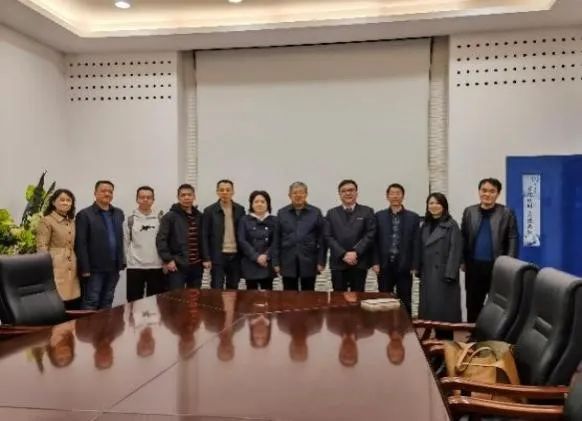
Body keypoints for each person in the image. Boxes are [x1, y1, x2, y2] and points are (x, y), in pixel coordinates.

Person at [461, 178, 519, 322]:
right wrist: (462, 261)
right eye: (484, 190)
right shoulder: (469, 211)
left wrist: (509, 264)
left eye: (492, 191)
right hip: (474, 266)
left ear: (498, 194)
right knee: (473, 305)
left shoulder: (506, 213)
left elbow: (513, 238)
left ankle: (493, 334)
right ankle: (473, 332)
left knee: (498, 306)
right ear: (479, 191)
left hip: (497, 266)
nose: (487, 194)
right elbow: (463, 238)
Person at [417, 193, 463, 339]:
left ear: (444, 206)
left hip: (444, 276)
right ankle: (435, 343)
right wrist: (418, 269)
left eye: (437, 203)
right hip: (428, 274)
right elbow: (420, 248)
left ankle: (446, 345)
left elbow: (455, 250)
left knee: (444, 316)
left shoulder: (451, 225)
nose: (434, 206)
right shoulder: (425, 225)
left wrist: (450, 274)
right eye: (431, 203)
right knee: (432, 314)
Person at [75, 180, 125, 310]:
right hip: (94, 269)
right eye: (103, 191)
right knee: (91, 301)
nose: (107, 194)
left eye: (110, 191)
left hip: (114, 267)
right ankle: (88, 325)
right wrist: (85, 268)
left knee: (108, 300)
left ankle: (104, 324)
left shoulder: (118, 213)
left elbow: (121, 239)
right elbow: (81, 243)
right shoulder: (84, 214)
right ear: (95, 193)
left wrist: (122, 262)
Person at [372, 183, 420, 315]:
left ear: (403, 196)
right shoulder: (379, 216)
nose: (395, 196)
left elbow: (416, 242)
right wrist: (375, 262)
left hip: (405, 265)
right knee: (384, 300)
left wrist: (415, 265)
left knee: (405, 300)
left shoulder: (413, 217)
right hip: (384, 265)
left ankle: (406, 327)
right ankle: (384, 325)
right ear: (387, 196)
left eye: (398, 193)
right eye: (392, 193)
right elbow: (374, 241)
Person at [274, 182, 326, 291]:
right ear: (289, 195)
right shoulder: (282, 213)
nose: (298, 195)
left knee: (309, 295)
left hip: (309, 261)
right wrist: (276, 262)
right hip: (287, 261)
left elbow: (322, 239)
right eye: (295, 193)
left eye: (301, 192)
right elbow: (276, 239)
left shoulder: (315, 212)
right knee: (289, 296)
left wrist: (321, 261)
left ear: (306, 194)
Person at [325, 179, 375, 292]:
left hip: (359, 262)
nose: (348, 193)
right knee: (338, 298)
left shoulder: (367, 211)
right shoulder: (331, 213)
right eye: (344, 191)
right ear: (339, 194)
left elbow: (370, 234)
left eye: (351, 190)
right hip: (338, 262)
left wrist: (356, 252)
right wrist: (343, 254)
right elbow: (328, 236)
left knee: (358, 297)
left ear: (356, 193)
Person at [36, 189, 81, 310]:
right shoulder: (46, 220)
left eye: (68, 200)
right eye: (62, 200)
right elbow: (42, 246)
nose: (65, 203)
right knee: (57, 300)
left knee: (72, 301)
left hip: (72, 264)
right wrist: (45, 267)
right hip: (55, 264)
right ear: (53, 202)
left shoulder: (72, 221)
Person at [156, 184, 204, 290]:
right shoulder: (170, 217)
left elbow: (203, 240)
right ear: (178, 197)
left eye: (189, 195)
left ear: (194, 197)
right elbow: (161, 240)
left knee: (194, 297)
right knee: (176, 297)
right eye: (183, 195)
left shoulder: (199, 216)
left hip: (196, 266)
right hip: (177, 265)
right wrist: (168, 260)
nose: (186, 197)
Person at [202, 180, 245, 290]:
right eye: (221, 190)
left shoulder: (240, 210)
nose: (225, 192)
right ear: (217, 192)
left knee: (233, 288)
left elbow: (243, 233)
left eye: (228, 190)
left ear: (233, 192)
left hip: (235, 255)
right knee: (217, 287)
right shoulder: (209, 211)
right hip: (217, 256)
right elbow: (204, 236)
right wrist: (206, 257)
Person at [123, 186, 164, 302]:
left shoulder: (160, 219)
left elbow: (164, 242)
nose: (145, 200)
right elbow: (125, 242)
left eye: (149, 197)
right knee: (133, 302)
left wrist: (165, 261)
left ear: (153, 200)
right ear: (137, 199)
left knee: (155, 303)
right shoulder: (129, 220)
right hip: (135, 267)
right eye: (142, 197)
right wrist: (127, 261)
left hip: (156, 266)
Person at [237, 191, 278, 291]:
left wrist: (266, 256)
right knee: (250, 295)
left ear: (268, 204)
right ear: (251, 204)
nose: (259, 204)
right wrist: (256, 257)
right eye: (256, 202)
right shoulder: (244, 220)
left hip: (267, 263)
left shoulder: (275, 220)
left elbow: (276, 241)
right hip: (250, 262)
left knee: (268, 295)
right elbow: (242, 240)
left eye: (263, 202)